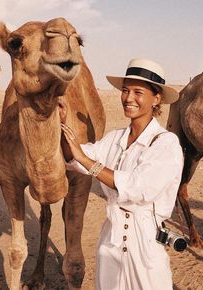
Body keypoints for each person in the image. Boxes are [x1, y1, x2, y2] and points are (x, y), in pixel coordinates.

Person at [59, 58, 184, 290]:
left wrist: (87, 161)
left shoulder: (166, 144)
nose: (128, 98)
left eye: (138, 92)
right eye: (125, 90)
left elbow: (138, 188)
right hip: (110, 242)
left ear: (156, 99)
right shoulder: (115, 138)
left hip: (145, 245)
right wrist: (61, 124)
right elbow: (76, 159)